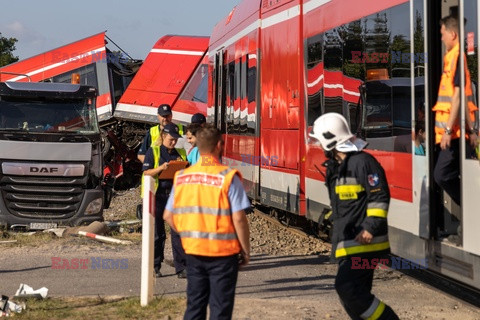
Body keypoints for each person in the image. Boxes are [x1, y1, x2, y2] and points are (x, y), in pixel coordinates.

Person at [309, 113, 399, 320]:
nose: (320, 146)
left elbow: (379, 196)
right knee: (353, 296)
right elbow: (349, 202)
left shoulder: (363, 163)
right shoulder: (339, 167)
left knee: (347, 288)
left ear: (330, 141)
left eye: (321, 141)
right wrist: (331, 215)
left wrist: (369, 228)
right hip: (348, 242)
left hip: (367, 244)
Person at [164, 124, 251, 320]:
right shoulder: (227, 177)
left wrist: (187, 235)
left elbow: (168, 216)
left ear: (197, 146)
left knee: (195, 305)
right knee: (220, 308)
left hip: (194, 252)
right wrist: (245, 250)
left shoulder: (182, 177)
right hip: (223, 254)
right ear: (220, 145)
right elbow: (239, 218)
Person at [432, 15, 478, 206]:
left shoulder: (458, 57)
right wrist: (473, 130)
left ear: (452, 34)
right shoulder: (452, 58)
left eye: (442, 34)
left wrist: (449, 131)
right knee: (458, 175)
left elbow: (458, 98)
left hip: (455, 134)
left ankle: (473, 208)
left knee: (441, 175)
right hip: (459, 132)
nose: (441, 38)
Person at [142, 123, 187, 278]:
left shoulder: (180, 153)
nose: (173, 142)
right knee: (158, 233)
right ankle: (155, 266)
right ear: (163, 136)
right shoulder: (153, 151)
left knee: (177, 232)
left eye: (175, 139)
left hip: (175, 196)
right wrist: (161, 168)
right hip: (158, 195)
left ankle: (181, 268)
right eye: (171, 139)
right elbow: (146, 172)